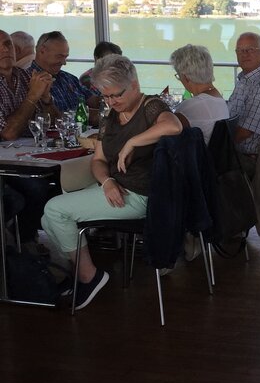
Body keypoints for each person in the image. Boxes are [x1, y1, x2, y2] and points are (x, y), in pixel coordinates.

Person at [41, 54, 182, 310]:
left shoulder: (151, 106)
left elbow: (174, 126)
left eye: (116, 95)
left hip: (141, 195)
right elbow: (98, 160)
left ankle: (89, 277)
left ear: (134, 85)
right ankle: (82, 273)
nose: (111, 102)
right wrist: (106, 181)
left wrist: (133, 142)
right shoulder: (111, 118)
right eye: (105, 96)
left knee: (54, 210)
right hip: (116, 187)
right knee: (47, 218)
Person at [0, 29, 58, 248]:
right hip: (5, 164)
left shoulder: (26, 77)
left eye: (8, 44)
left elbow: (54, 124)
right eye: (0, 46)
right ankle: (22, 244)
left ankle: (29, 238)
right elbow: (8, 133)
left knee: (62, 181)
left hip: (30, 154)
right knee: (36, 187)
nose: (5, 50)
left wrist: (47, 98)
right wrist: (33, 96)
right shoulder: (29, 84)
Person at [26, 31, 99, 114]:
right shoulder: (27, 81)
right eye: (59, 56)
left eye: (65, 57)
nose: (64, 62)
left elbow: (93, 100)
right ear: (42, 51)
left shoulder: (69, 78)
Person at [169, 43, 229, 144]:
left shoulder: (192, 106)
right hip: (216, 153)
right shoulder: (218, 97)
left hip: (200, 154)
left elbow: (167, 129)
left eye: (178, 76)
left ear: (186, 77)